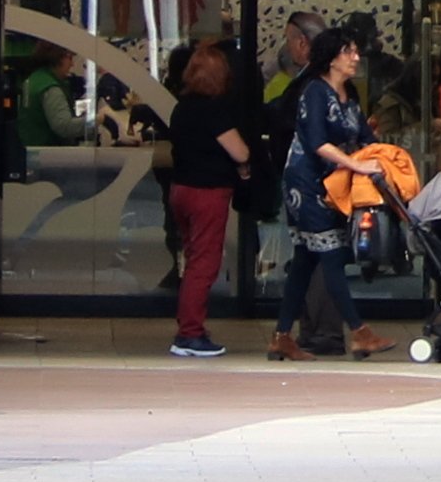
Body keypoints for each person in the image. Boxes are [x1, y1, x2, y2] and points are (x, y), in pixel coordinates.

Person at [269, 26, 389, 362]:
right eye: (348, 51)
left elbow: (365, 136)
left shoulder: (349, 94)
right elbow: (317, 143)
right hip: (307, 184)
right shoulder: (314, 92)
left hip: (334, 186)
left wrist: (379, 156)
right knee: (333, 255)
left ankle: (281, 337)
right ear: (331, 57)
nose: (356, 57)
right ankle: (359, 332)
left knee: (306, 261)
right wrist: (358, 165)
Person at [161, 39, 254, 359]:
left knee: (192, 258)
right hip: (207, 193)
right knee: (204, 263)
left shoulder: (181, 108)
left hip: (181, 190)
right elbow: (240, 151)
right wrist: (244, 167)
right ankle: (190, 332)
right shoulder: (214, 111)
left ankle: (189, 326)